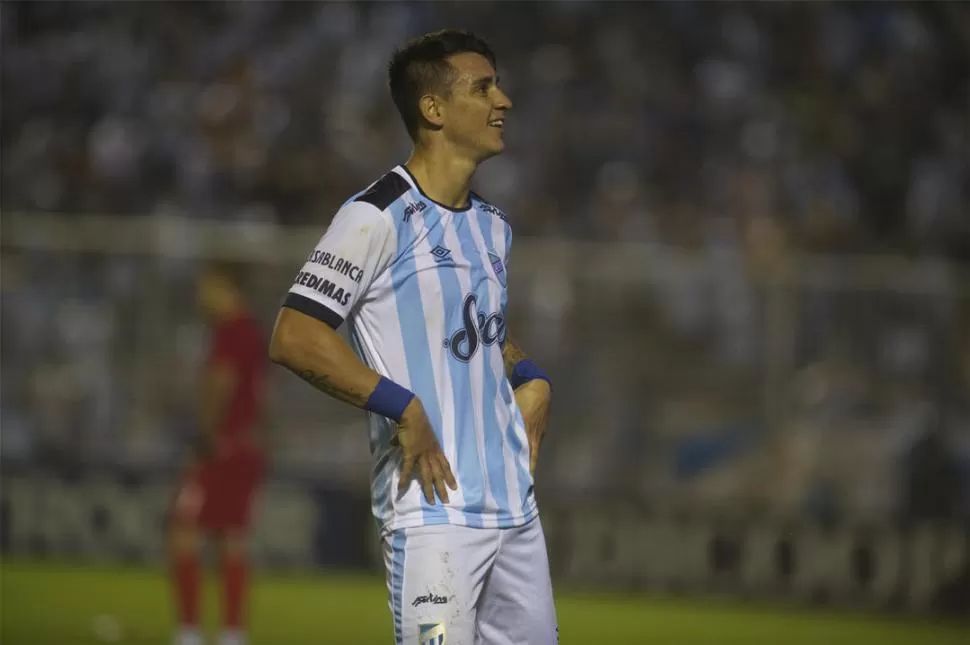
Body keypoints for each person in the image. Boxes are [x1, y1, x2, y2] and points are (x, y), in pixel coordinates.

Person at [269, 29, 557, 645]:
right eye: (483, 88)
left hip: (516, 512)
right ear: (433, 109)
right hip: (434, 515)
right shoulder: (373, 216)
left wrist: (530, 376)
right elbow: (294, 335)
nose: (502, 100)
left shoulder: (494, 227)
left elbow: (485, 338)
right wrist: (400, 404)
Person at [169, 261, 268, 645]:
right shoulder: (252, 332)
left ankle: (190, 630)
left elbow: (221, 384)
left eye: (207, 286)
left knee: (184, 533)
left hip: (220, 446)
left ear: (225, 287)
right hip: (245, 446)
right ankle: (232, 632)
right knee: (233, 536)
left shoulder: (230, 333)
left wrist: (204, 439)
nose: (201, 295)